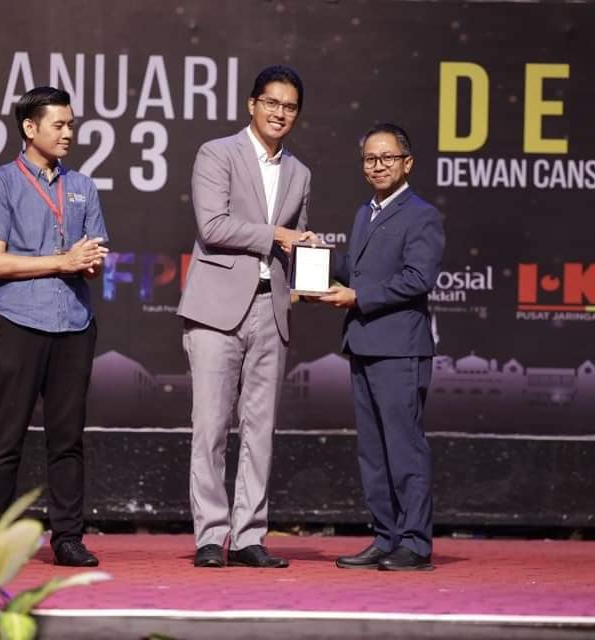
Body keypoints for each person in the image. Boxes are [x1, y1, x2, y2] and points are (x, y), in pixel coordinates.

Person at [177, 65, 315, 568]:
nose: (280, 113)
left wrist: (310, 262)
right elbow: (212, 226)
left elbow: (295, 243)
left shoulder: (300, 173)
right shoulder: (217, 153)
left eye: (290, 107)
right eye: (271, 103)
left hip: (270, 309)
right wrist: (278, 235)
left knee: (260, 430)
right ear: (252, 104)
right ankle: (211, 536)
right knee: (211, 426)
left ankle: (250, 535)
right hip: (216, 309)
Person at [0, 86, 109, 567]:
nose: (68, 133)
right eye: (59, 124)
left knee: (67, 439)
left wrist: (89, 263)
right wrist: (62, 261)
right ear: (30, 128)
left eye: (71, 124)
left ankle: (68, 537)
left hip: (74, 325)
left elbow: (94, 260)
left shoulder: (83, 186)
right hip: (18, 323)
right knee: (5, 439)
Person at [317, 123, 445, 571]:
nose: (378, 166)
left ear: (407, 163)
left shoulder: (422, 215)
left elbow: (418, 278)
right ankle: (386, 537)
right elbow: (356, 270)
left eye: (387, 157)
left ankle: (415, 543)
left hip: (400, 349)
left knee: (404, 449)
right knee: (373, 452)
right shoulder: (364, 213)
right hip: (364, 343)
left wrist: (358, 298)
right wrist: (319, 253)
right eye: (371, 159)